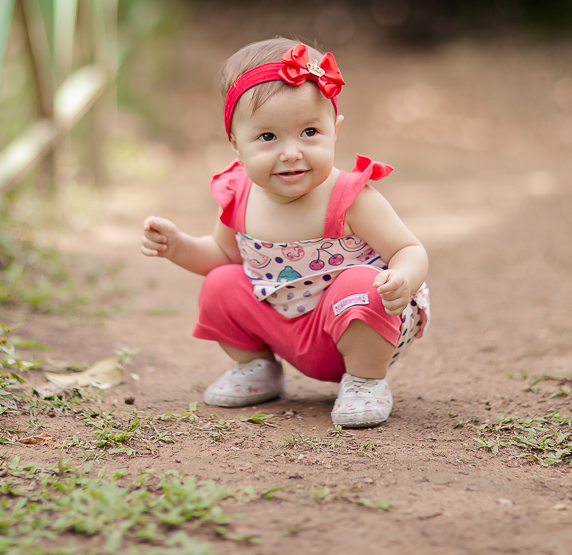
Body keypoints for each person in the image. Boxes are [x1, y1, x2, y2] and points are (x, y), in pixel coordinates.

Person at [141, 38, 430, 428]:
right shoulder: (239, 195)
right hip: (282, 326)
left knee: (362, 284)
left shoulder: (350, 198)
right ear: (235, 144)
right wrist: (178, 247)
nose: (291, 152)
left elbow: (409, 249)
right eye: (267, 137)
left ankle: (365, 382)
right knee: (221, 283)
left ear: (334, 130)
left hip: (359, 326)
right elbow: (224, 256)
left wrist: (403, 278)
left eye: (309, 131)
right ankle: (258, 367)